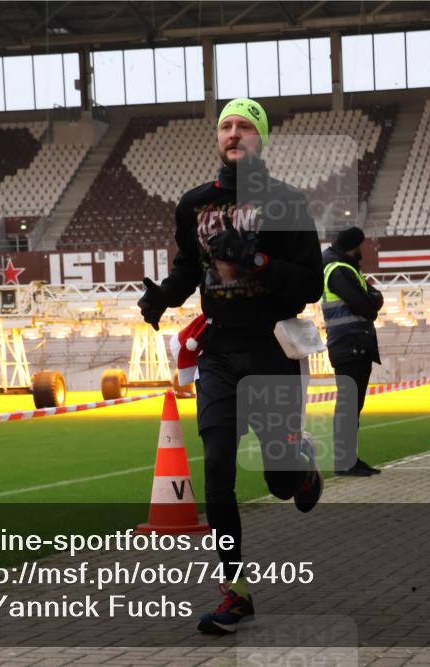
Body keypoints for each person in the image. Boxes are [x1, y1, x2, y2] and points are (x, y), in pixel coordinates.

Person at [138, 98, 324, 635]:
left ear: (261, 138)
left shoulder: (287, 202)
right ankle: (235, 590)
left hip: (271, 350)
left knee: (281, 481)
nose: (235, 132)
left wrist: (256, 259)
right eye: (227, 125)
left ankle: (301, 464)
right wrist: (162, 299)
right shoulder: (195, 204)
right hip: (219, 351)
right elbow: (186, 269)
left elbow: (310, 283)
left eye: (245, 125)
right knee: (217, 468)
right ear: (217, 138)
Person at [321, 226, 383, 476]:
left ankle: (349, 459)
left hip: (352, 344)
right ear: (353, 246)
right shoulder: (339, 270)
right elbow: (366, 306)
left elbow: (370, 300)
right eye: (362, 245)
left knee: (351, 405)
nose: (364, 250)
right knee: (348, 405)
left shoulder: (342, 268)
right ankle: (345, 461)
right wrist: (373, 300)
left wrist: (372, 299)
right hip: (350, 344)